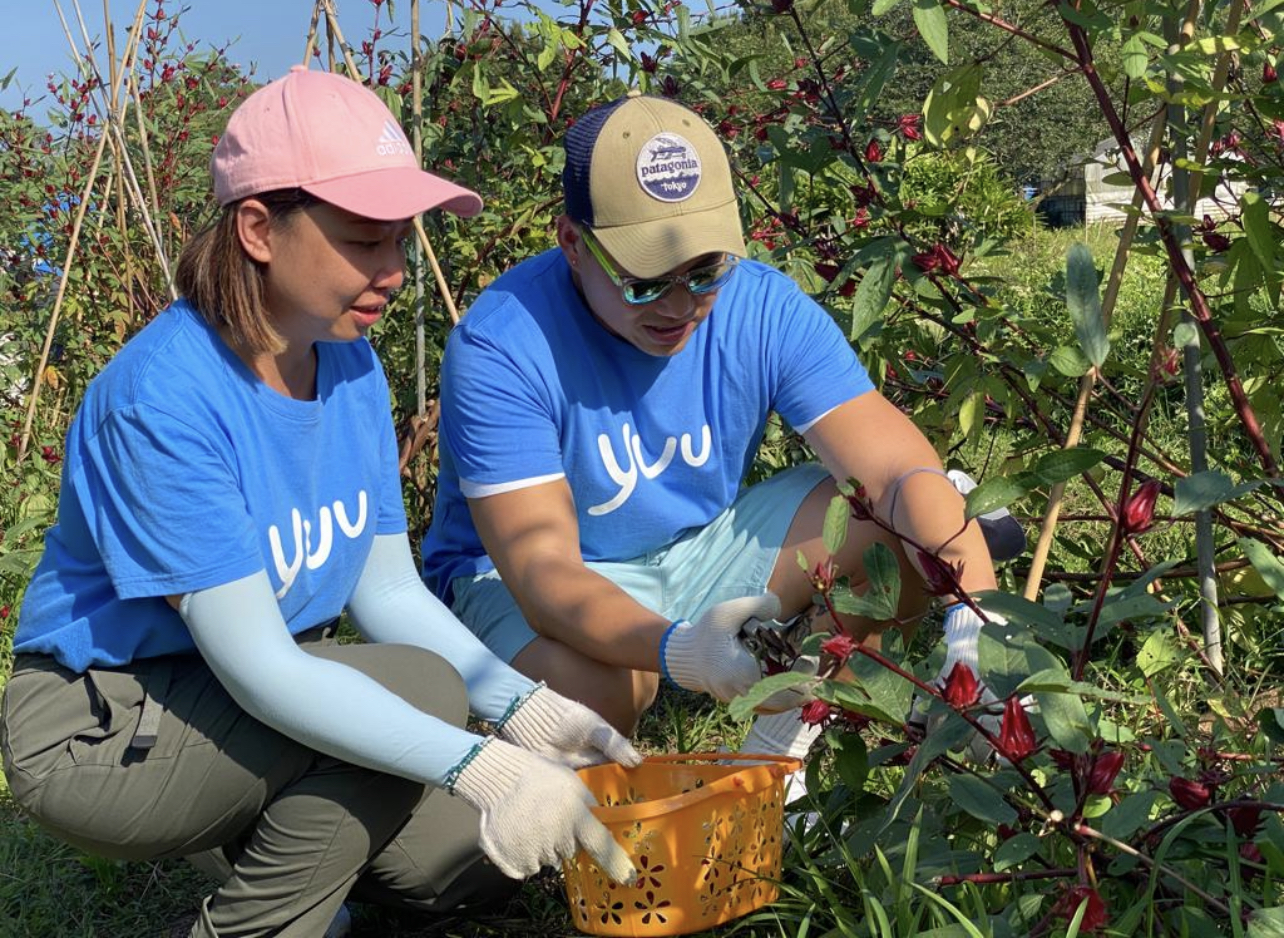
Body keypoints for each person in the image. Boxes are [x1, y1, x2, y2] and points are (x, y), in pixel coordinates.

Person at [0, 67, 639, 938]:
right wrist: (484, 766)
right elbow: (263, 668)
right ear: (259, 228)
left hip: (219, 691)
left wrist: (529, 710)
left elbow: (386, 593)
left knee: (466, 867)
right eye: (365, 241)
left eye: (401, 241)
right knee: (420, 692)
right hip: (103, 725)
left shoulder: (345, 359)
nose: (395, 272)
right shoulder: (164, 400)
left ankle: (267, 832)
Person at [421, 90, 1023, 779]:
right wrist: (679, 653)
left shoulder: (760, 305)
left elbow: (898, 473)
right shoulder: (503, 343)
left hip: (694, 552)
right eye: (646, 280)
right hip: (529, 578)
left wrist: (973, 632)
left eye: (705, 269)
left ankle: (774, 753)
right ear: (573, 244)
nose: (682, 305)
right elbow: (543, 572)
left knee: (892, 530)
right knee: (601, 694)